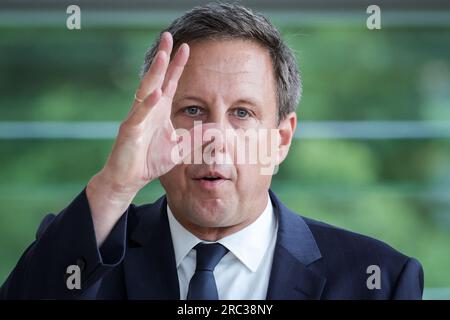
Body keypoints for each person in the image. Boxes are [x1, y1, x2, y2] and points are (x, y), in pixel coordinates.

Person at [0, 2, 423, 300]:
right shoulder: (84, 250)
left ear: (281, 139)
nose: (214, 137)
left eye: (242, 112)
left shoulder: (380, 280)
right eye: (192, 110)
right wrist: (115, 185)